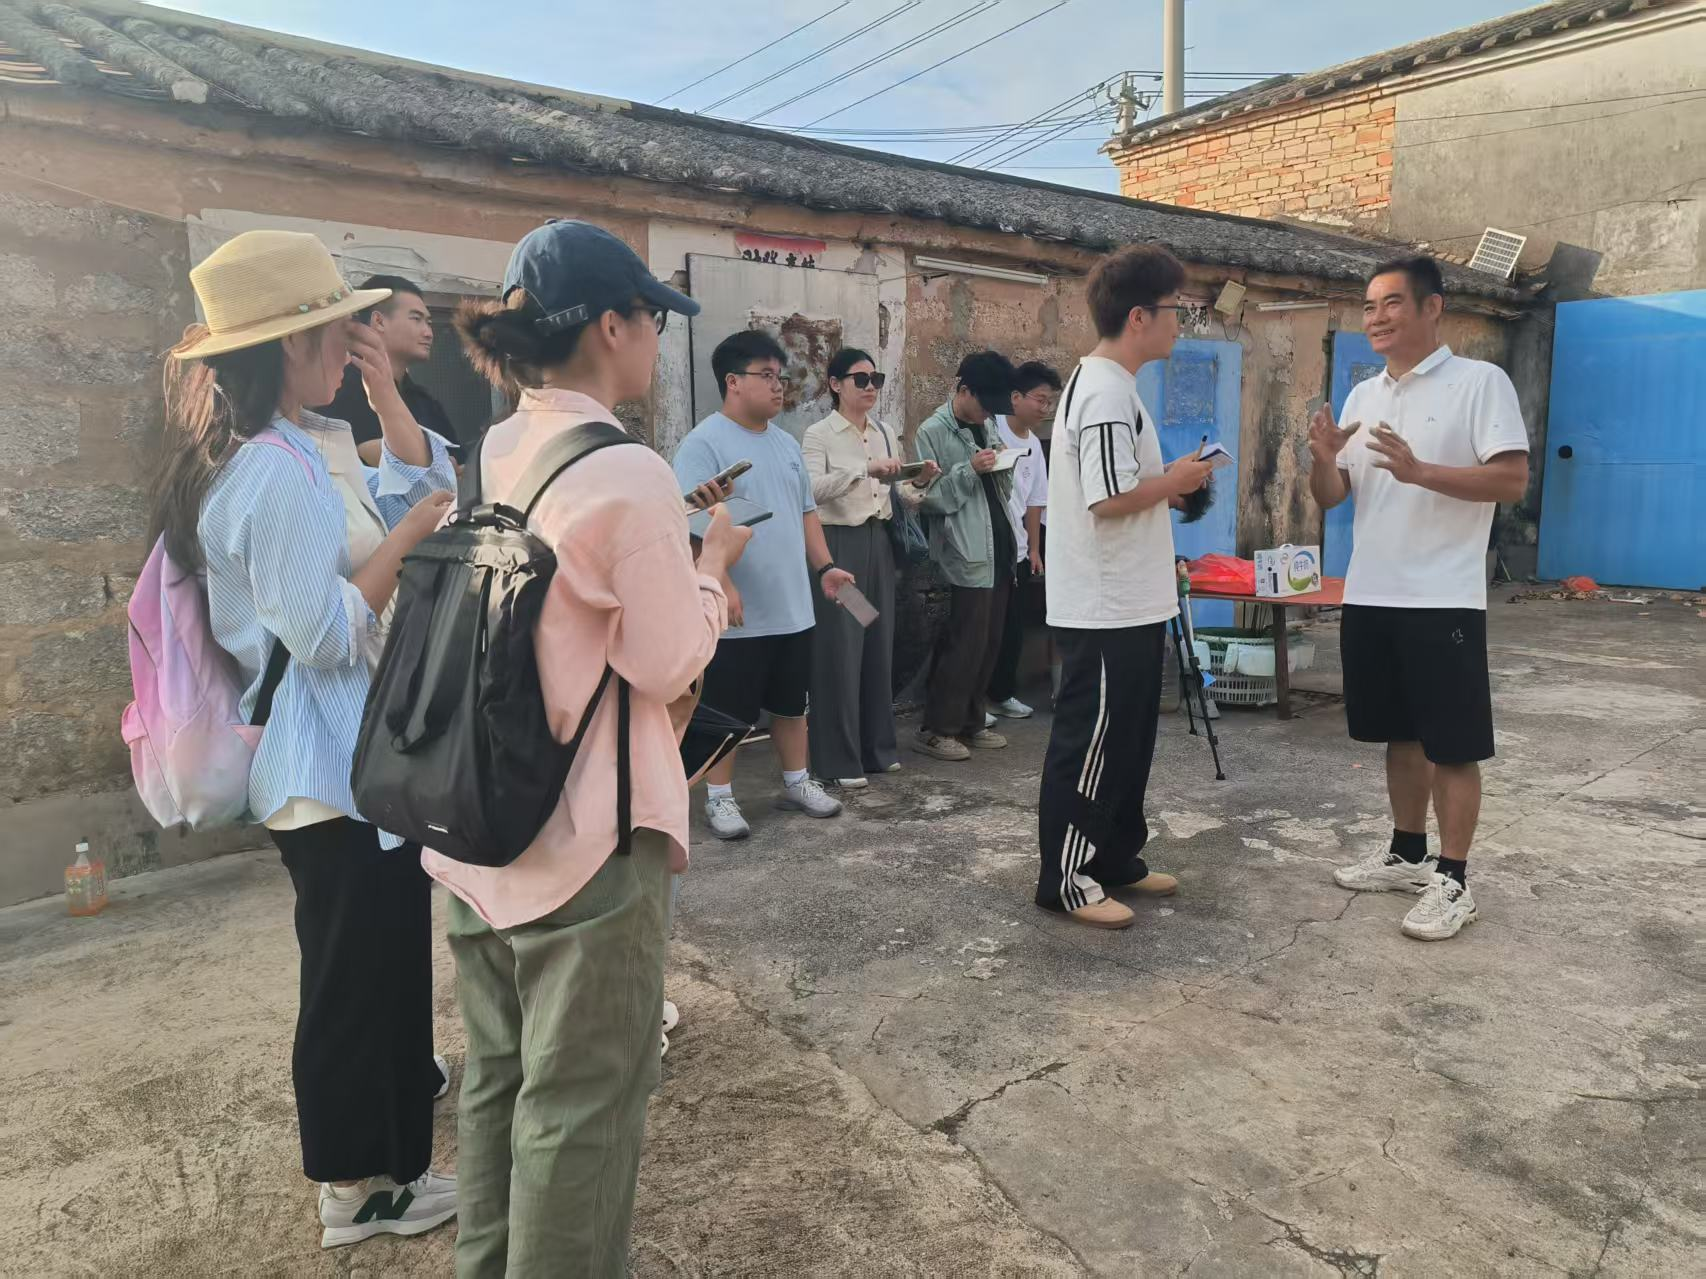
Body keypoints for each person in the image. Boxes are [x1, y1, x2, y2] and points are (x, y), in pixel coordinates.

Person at [425, 219, 749, 1273]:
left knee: (500, 1078)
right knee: (583, 1102)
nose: (656, 337)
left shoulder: (494, 450)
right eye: (651, 317)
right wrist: (712, 570)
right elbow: (665, 662)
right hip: (585, 838)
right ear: (612, 324)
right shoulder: (628, 471)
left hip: (478, 816)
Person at [152, 230, 460, 1246]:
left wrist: (385, 402)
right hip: (325, 766)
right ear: (292, 341)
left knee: (375, 974)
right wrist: (407, 542)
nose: (352, 339)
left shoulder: (289, 449)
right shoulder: (274, 471)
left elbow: (416, 488)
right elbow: (323, 634)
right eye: (338, 325)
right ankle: (359, 1187)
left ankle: (384, 1168)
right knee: (352, 984)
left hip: (341, 766)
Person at [1311, 255, 1529, 942]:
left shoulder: (1480, 383)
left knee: (1453, 744)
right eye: (1369, 305)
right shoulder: (1361, 396)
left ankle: (1454, 879)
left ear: (1433, 307)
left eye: (1391, 303)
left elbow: (1511, 480)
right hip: (1373, 592)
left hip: (1443, 597)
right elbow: (1333, 497)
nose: (1376, 317)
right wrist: (1322, 459)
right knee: (1399, 734)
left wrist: (1421, 471)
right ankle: (1407, 854)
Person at [1035, 245, 1215, 930]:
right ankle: (1066, 879)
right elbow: (1108, 498)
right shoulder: (1107, 392)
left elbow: (1118, 485)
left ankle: (1112, 857)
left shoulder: (1112, 386)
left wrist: (1172, 478)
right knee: (1091, 745)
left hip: (1130, 601)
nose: (1180, 324)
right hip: (1105, 607)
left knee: (1128, 744)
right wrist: (1176, 481)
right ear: (1139, 316)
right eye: (1176, 310)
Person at [672, 330, 854, 839]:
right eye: (767, 376)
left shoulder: (785, 443)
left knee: (792, 704)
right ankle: (720, 797)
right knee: (726, 709)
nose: (779, 387)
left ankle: (797, 782)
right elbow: (691, 523)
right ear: (733, 382)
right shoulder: (703, 443)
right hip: (736, 610)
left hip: (791, 605)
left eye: (781, 377)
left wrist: (825, 568)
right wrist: (723, 582)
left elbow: (806, 512)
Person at [800, 348, 939, 789]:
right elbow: (810, 491)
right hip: (839, 547)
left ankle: (878, 749)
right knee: (841, 648)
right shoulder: (819, 434)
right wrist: (864, 470)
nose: (870, 387)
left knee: (877, 643)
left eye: (875, 379)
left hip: (879, 544)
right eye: (860, 379)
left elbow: (898, 495)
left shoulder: (883, 431)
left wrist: (919, 479)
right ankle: (838, 759)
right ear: (835, 384)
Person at [911, 350, 1020, 761]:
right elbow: (927, 498)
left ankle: (973, 721)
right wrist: (969, 469)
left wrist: (1004, 463)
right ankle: (938, 729)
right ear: (964, 390)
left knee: (989, 641)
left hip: (998, 544)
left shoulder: (986, 424)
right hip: (964, 550)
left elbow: (1002, 486)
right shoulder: (932, 431)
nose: (989, 414)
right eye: (985, 403)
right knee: (964, 643)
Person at [320, 274, 463, 465]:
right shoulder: (337, 388)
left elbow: (459, 463)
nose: (428, 333)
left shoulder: (425, 402)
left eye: (428, 323)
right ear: (379, 321)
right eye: (416, 319)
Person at [986, 360, 1061, 720]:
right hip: (987, 544)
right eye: (1040, 399)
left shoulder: (1033, 445)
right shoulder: (992, 428)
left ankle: (1002, 694)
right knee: (983, 627)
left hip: (1016, 548)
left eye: (1050, 402)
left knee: (1011, 627)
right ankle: (975, 699)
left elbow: (1035, 501)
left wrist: (1033, 549)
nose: (1045, 408)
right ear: (1015, 397)